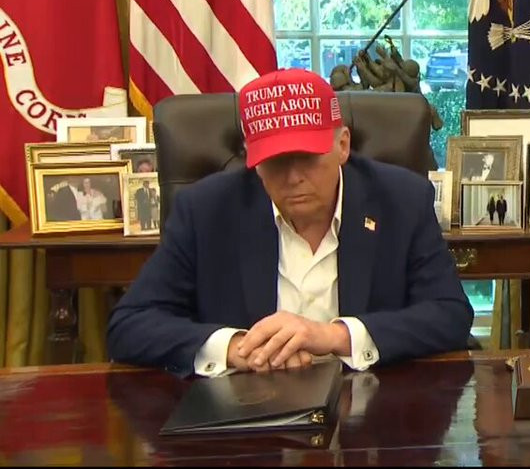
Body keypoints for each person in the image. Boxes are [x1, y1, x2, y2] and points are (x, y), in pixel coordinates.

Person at [107, 69, 474, 377]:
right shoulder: (205, 210)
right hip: (246, 409)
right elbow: (130, 325)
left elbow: (450, 314)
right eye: (276, 162)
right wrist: (235, 347)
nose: (294, 177)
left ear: (342, 145)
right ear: (252, 159)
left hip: (371, 407)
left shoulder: (402, 200)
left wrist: (334, 337)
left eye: (308, 158)